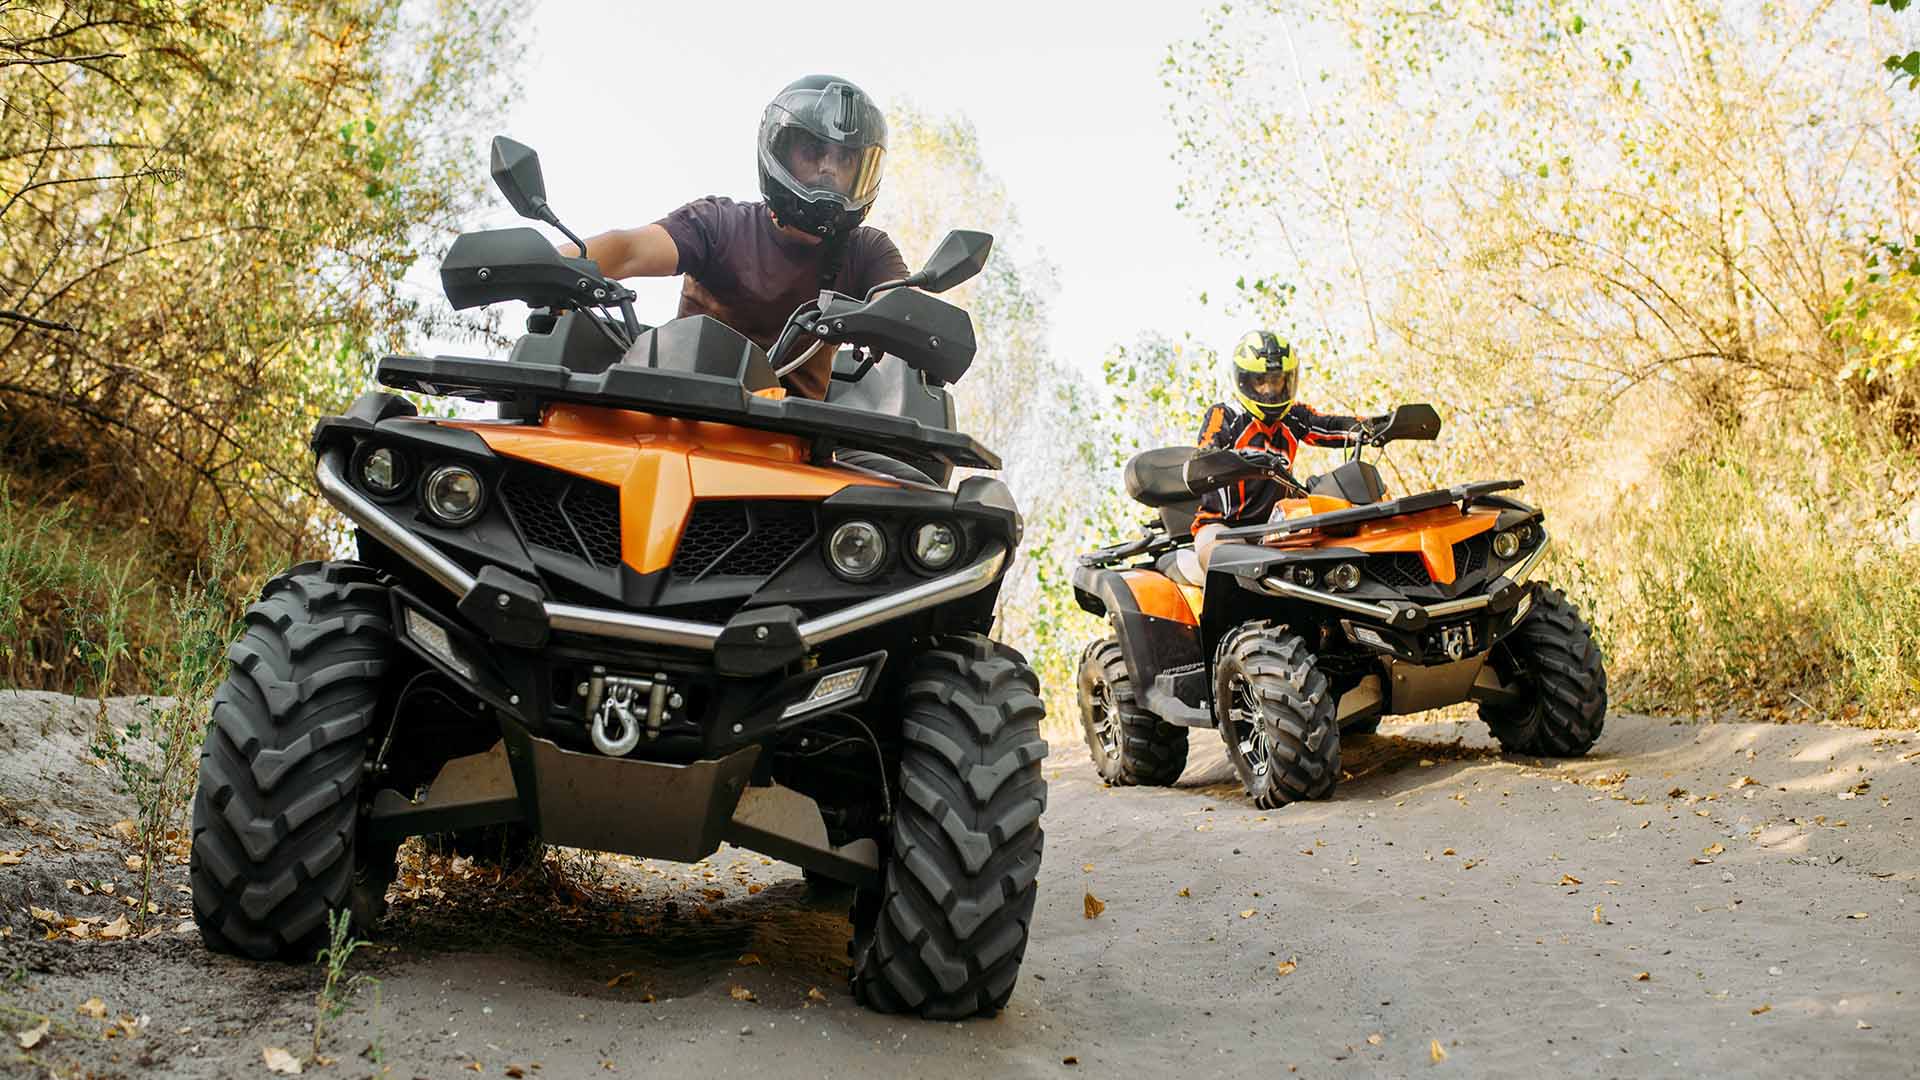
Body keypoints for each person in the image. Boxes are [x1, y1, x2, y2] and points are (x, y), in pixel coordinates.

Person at [564, 75, 909, 400]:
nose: (829, 168)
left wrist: (910, 322)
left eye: (845, 159)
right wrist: (546, 260)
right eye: (813, 151)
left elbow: (907, 306)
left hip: (799, 445)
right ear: (780, 151)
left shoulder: (867, 252)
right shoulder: (718, 225)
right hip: (681, 409)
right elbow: (629, 249)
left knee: (899, 466)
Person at [1191, 331, 1386, 565]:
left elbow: (1329, 426)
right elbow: (1207, 445)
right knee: (1233, 558)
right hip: (1222, 527)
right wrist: (1211, 454)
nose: (1269, 390)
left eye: (1276, 380)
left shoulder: (1294, 416)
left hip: (1279, 524)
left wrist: (1379, 426)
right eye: (1260, 381)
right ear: (1244, 381)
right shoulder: (1225, 415)